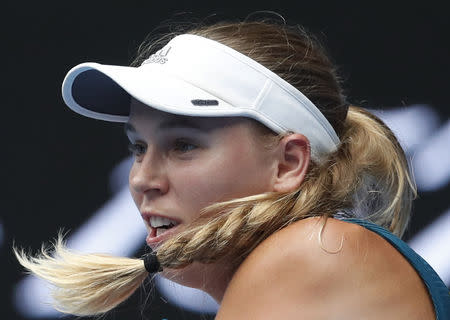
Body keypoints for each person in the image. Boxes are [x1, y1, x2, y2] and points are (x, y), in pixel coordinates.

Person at [15, 19, 449, 319]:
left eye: (183, 145)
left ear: (289, 163)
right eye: (138, 147)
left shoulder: (312, 251)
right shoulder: (316, 254)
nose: (141, 180)